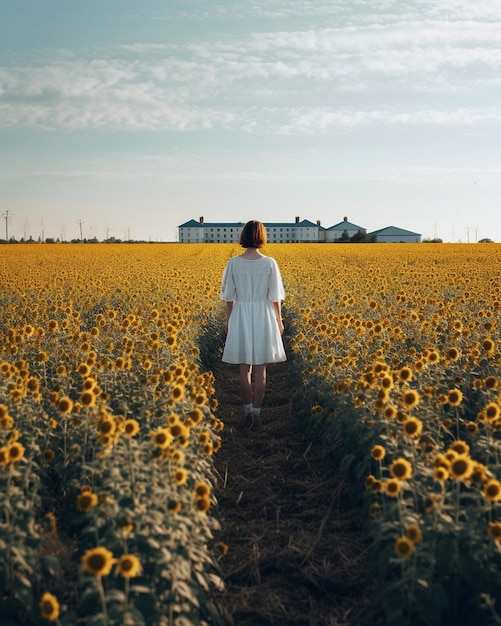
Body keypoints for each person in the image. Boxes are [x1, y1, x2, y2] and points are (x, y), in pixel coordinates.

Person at [220, 220, 286, 421]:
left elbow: (228, 295)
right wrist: (279, 319)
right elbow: (275, 296)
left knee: (244, 368)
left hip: (241, 313)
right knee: (260, 368)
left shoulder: (233, 263)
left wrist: (230, 318)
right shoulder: (269, 263)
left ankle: (247, 409)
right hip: (263, 314)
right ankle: (257, 412)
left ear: (243, 236)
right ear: (262, 236)